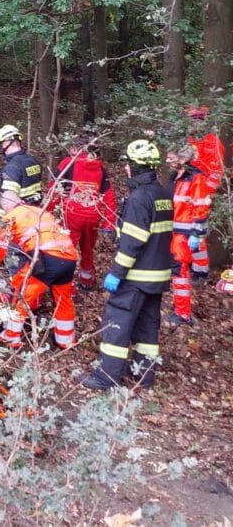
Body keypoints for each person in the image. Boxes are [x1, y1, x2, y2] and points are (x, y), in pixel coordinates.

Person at [81, 140, 173, 391]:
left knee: (117, 324)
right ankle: (143, 376)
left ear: (135, 166)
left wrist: (116, 273)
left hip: (136, 277)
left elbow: (133, 242)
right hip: (157, 276)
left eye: (127, 164)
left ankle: (106, 378)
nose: (124, 169)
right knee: (147, 328)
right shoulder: (163, 194)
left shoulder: (139, 198)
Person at [0, 195, 78, 349]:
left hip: (46, 258)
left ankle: (10, 337)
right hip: (69, 256)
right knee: (63, 299)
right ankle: (65, 339)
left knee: (21, 295)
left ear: (6, 208)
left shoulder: (10, 217)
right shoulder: (39, 211)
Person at [50, 137, 118, 290]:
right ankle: (86, 279)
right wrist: (109, 222)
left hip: (72, 215)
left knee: (67, 250)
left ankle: (66, 285)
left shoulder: (68, 163)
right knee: (87, 249)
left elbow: (54, 189)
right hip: (92, 217)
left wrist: (47, 213)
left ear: (75, 149)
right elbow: (109, 196)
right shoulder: (100, 168)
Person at [167, 144, 211, 326]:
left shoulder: (196, 178)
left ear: (183, 159)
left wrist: (196, 233)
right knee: (177, 272)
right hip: (174, 232)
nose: (167, 161)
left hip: (185, 235)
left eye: (171, 158)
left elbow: (201, 207)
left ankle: (183, 314)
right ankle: (179, 308)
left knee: (180, 272)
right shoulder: (174, 177)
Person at [187, 105, 226, 283]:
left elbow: (217, 172)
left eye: (199, 120)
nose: (195, 123)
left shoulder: (213, 142)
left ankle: (200, 272)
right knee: (185, 231)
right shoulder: (188, 141)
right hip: (186, 195)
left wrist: (205, 195)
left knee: (198, 233)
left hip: (202, 196)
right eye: (193, 120)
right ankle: (187, 264)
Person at [0, 124, 43, 220]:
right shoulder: (34, 161)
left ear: (6, 143)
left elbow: (8, 201)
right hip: (37, 213)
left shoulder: (12, 167)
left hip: (21, 217)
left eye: (0, 144)